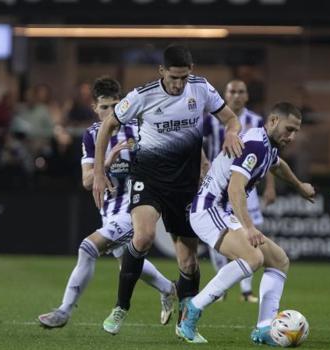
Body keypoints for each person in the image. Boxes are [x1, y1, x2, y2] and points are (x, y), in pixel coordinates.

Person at [92, 45, 243, 335]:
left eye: (184, 77)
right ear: (162, 71)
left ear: (191, 71)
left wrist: (232, 132)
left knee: (188, 260)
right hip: (148, 177)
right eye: (174, 77)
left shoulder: (200, 89)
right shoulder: (142, 95)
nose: (178, 84)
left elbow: (230, 119)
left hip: (185, 184)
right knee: (144, 235)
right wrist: (99, 172)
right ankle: (121, 306)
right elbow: (106, 126)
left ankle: (185, 323)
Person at [38, 77, 176, 329]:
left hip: (136, 207)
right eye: (104, 107)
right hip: (109, 211)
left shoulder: (139, 130)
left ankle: (64, 311)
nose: (110, 112)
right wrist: (107, 161)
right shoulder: (91, 136)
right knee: (128, 261)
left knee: (87, 248)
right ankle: (169, 289)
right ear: (94, 108)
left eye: (115, 106)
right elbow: (88, 181)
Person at [178, 102, 315, 344]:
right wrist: (249, 228)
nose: (292, 136)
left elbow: (278, 165)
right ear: (273, 121)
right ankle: (193, 309)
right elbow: (235, 187)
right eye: (289, 129)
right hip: (208, 209)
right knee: (253, 258)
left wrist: (300, 186)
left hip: (221, 211)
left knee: (279, 260)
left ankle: (263, 328)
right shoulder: (254, 145)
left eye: (296, 131)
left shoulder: (268, 145)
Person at [202, 79, 276, 303]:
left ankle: (246, 291)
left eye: (240, 92)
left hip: (246, 186)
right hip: (218, 185)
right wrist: (204, 164)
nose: (236, 95)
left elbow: (269, 156)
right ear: (225, 95)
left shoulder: (256, 121)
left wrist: (270, 186)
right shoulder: (212, 120)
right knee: (219, 236)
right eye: (232, 91)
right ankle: (221, 286)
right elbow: (196, 143)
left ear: (246, 96)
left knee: (251, 232)